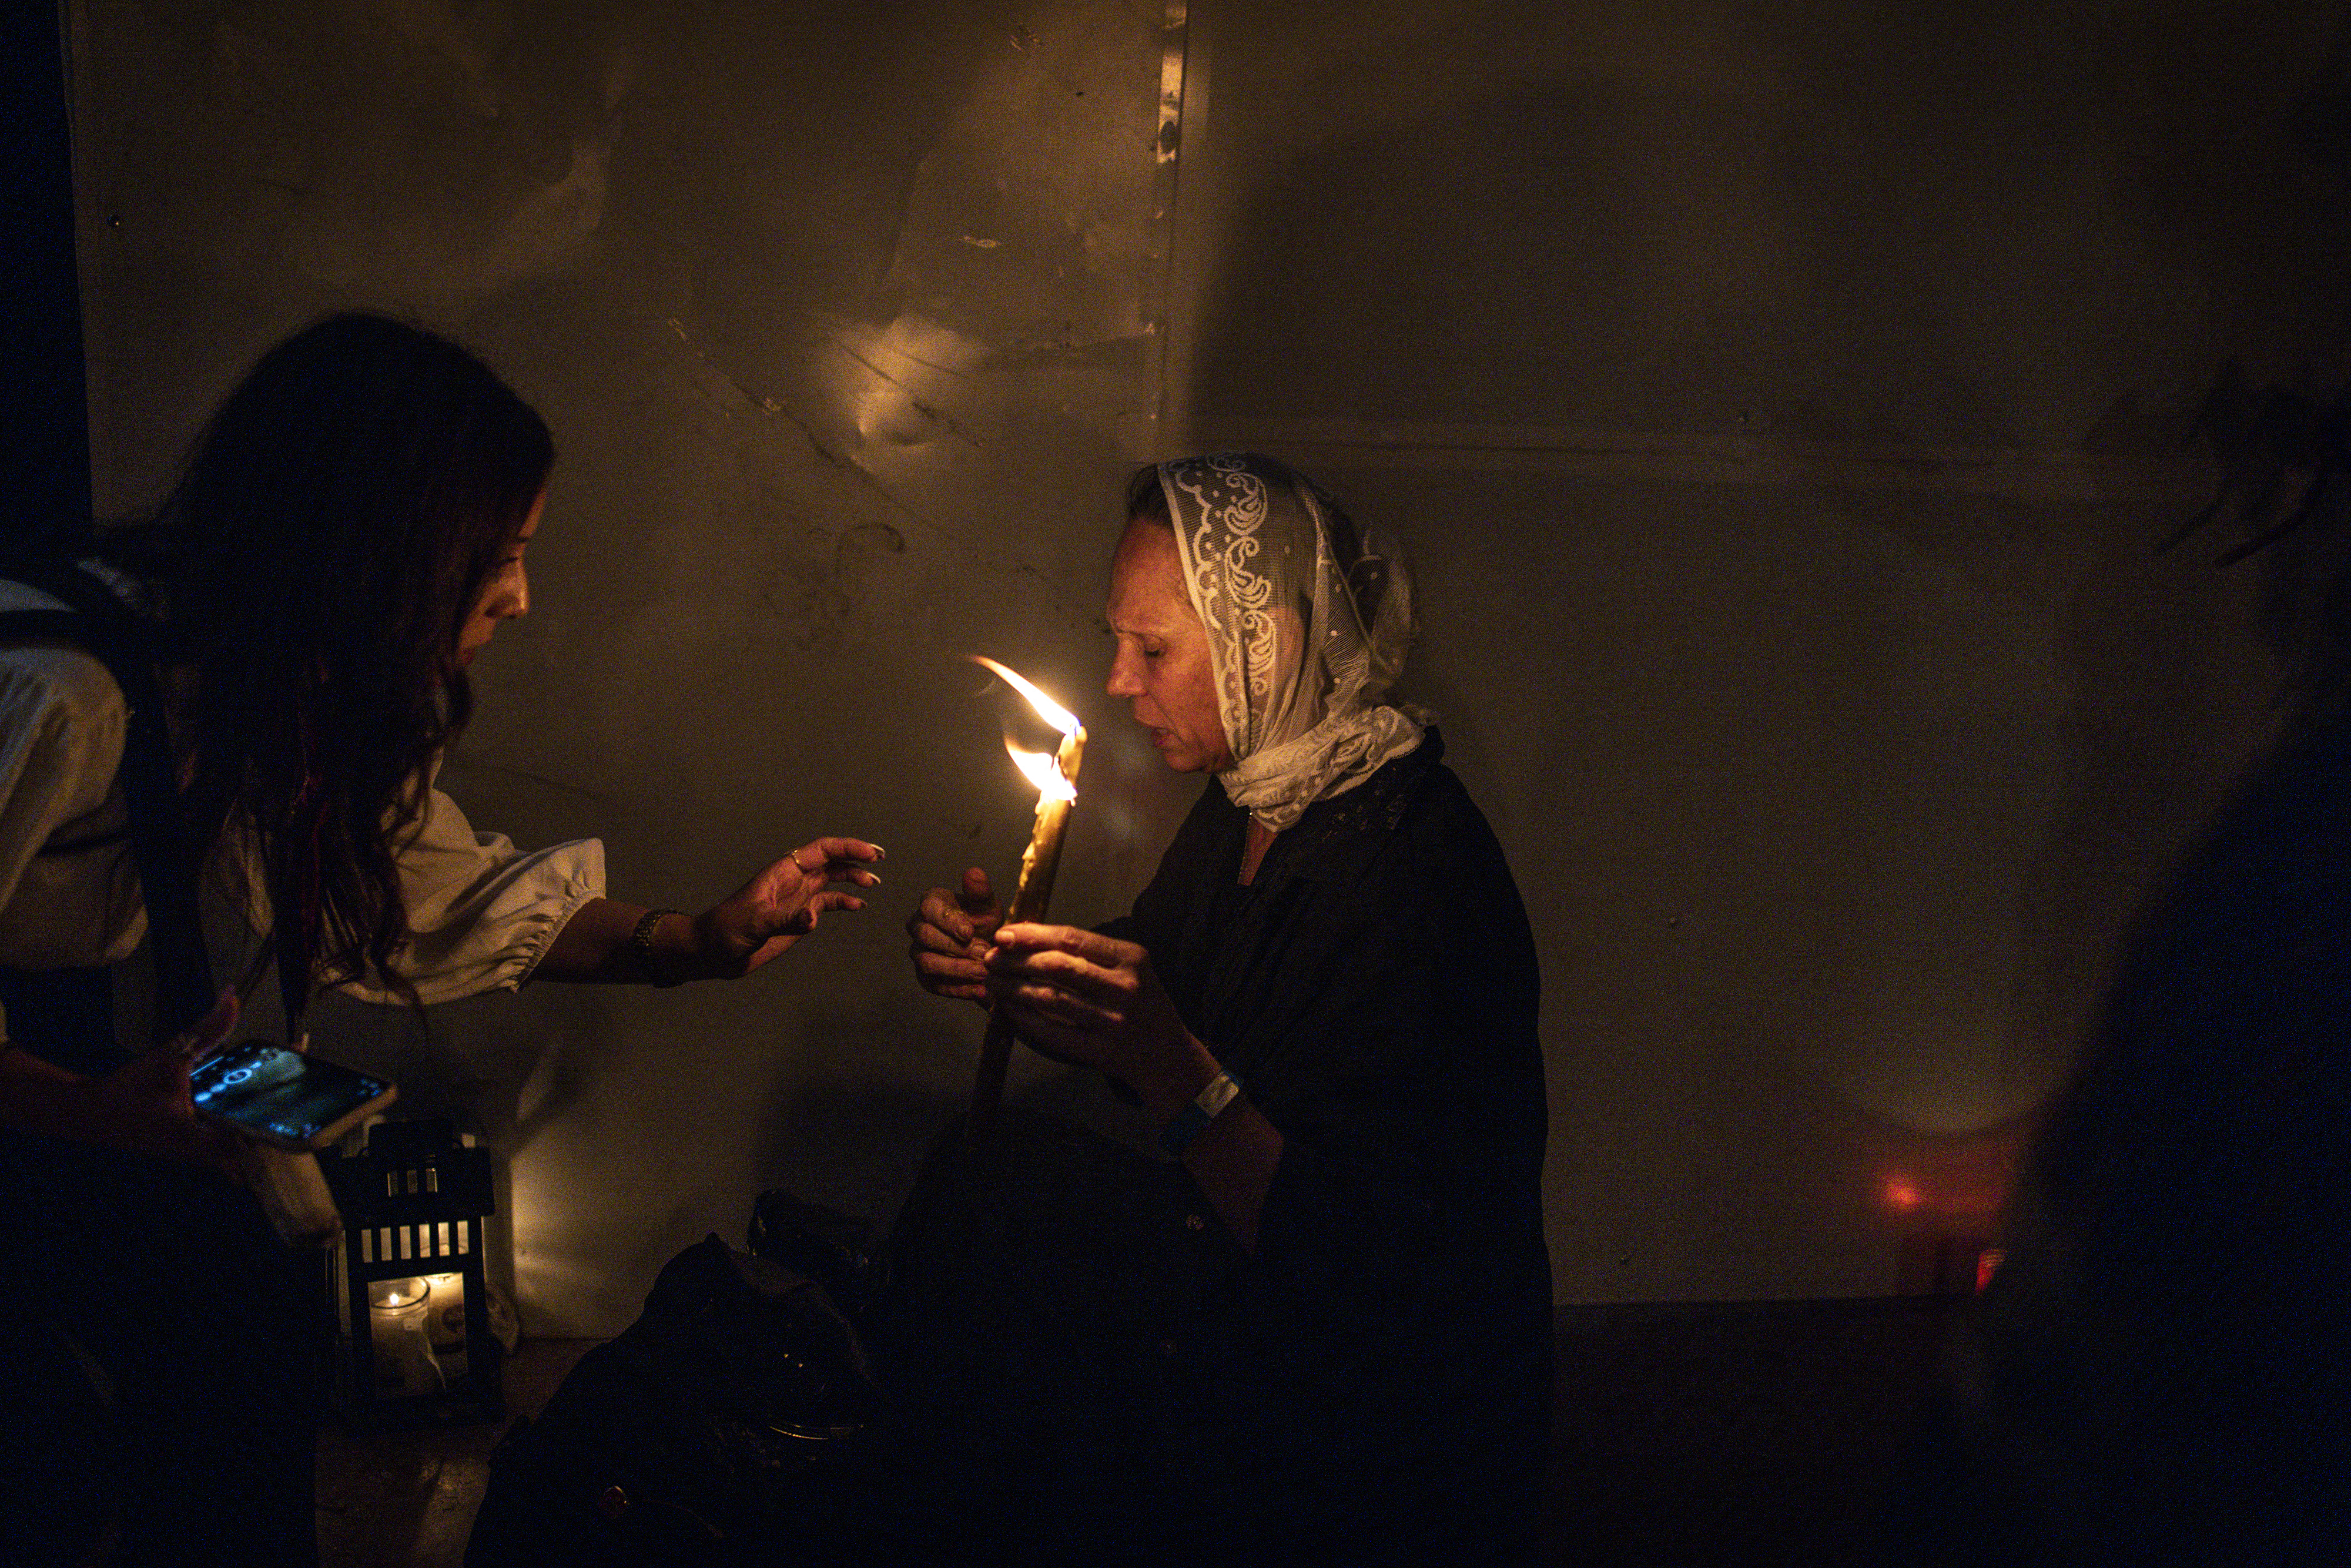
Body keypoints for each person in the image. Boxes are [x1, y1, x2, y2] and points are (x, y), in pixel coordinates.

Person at [0, 312, 880, 1567]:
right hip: (51, 1108)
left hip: (91, 1100)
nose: (519, 597)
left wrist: (694, 936)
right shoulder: (64, 690)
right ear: (377, 547)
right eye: (501, 554)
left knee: (247, 1364)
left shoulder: (260, 674)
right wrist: (92, 1110)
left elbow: (423, 891)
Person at [903, 453, 1550, 1565]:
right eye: (1117, 641)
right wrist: (1021, 973)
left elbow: (1360, 1265)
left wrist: (1167, 1066)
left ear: (1273, 641)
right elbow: (1165, 986)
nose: (1117, 681)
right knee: (970, 1185)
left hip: (1379, 1420)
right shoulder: (1254, 800)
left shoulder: (1410, 874)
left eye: (1152, 648)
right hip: (1261, 1296)